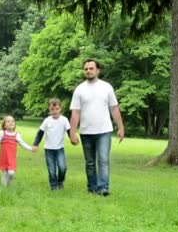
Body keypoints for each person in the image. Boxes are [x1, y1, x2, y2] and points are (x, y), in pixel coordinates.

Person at [69, 58, 125, 196]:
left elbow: (114, 109)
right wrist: (72, 132)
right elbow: (75, 112)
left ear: (98, 70)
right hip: (86, 132)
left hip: (104, 131)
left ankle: (103, 188)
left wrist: (121, 127)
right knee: (90, 162)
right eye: (86, 69)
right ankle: (92, 187)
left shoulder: (106, 87)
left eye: (91, 68)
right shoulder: (79, 89)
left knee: (103, 160)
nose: (88, 71)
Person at [32, 98, 71, 190]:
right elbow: (40, 133)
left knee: (62, 167)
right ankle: (53, 186)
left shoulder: (64, 120)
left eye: (57, 109)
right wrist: (35, 144)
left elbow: (69, 131)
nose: (55, 111)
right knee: (51, 169)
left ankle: (60, 181)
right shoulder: (47, 120)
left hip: (60, 148)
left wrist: (73, 139)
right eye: (52, 109)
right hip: (49, 149)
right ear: (49, 109)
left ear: (60, 108)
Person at [0, 116, 34, 186]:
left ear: (15, 124)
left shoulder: (17, 135)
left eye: (12, 121)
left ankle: (10, 182)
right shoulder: (2, 133)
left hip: (11, 159)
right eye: (8, 121)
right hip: (3, 158)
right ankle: (4, 189)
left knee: (11, 173)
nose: (10, 123)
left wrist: (31, 148)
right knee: (4, 173)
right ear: (4, 125)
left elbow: (23, 144)